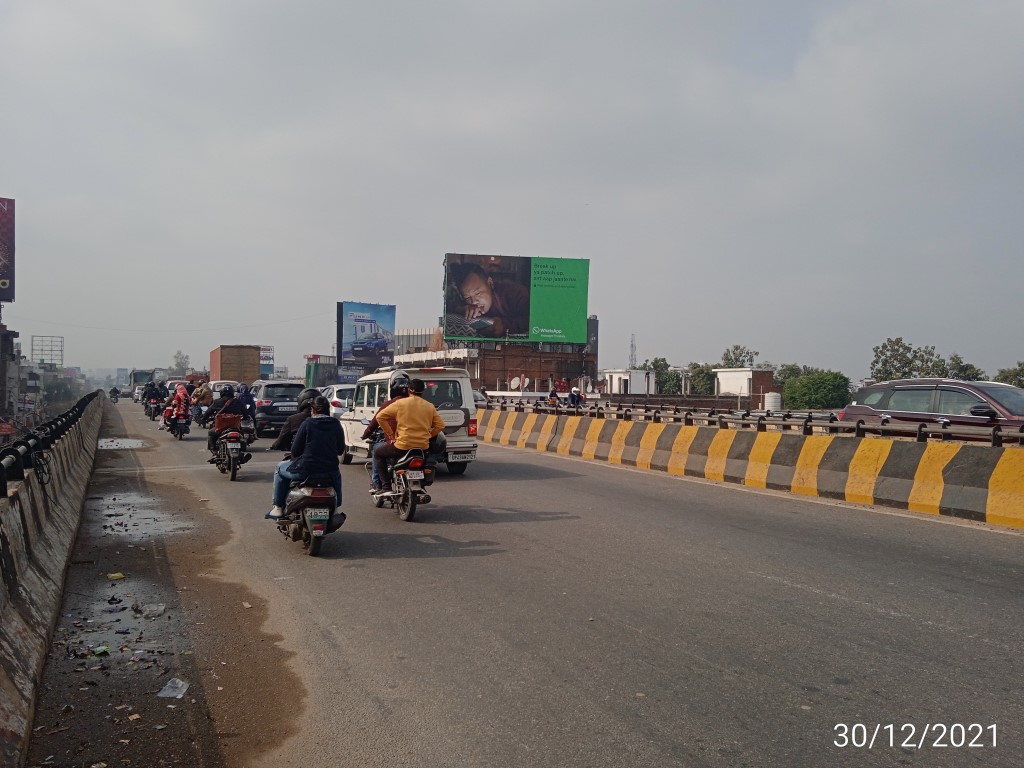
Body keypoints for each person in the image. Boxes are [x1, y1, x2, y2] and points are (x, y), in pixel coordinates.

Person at [267, 396, 344, 520]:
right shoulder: (336, 424)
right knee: (337, 475)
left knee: (279, 469)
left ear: (313, 410)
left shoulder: (307, 423)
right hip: (329, 471)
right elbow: (340, 450)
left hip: (305, 471)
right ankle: (336, 509)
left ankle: (278, 507)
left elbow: (295, 450)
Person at [372, 378, 445, 493]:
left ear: (409, 390)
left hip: (402, 446)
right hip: (422, 447)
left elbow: (380, 417)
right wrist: (428, 435)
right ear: (423, 391)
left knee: (378, 454)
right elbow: (440, 425)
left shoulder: (400, 403)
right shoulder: (429, 406)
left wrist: (390, 434)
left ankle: (386, 487)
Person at [450, 262, 530, 337]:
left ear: (490, 283)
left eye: (477, 293)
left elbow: (534, 321)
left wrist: (504, 326)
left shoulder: (515, 293)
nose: (473, 302)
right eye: (467, 298)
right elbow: (451, 306)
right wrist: (463, 310)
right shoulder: (466, 302)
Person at [361, 377, 410, 492]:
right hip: (419, 444)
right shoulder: (419, 404)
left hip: (398, 444)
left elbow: (375, 421)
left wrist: (366, 434)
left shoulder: (389, 404)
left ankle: (379, 485)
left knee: (377, 451)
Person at [204, 384, 249, 459]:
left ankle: (214, 451)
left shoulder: (217, 402)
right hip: (235, 427)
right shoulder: (238, 402)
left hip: (220, 429)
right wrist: (245, 417)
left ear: (222, 392)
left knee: (211, 433)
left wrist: (204, 418)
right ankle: (242, 453)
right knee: (242, 435)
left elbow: (208, 412)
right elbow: (245, 413)